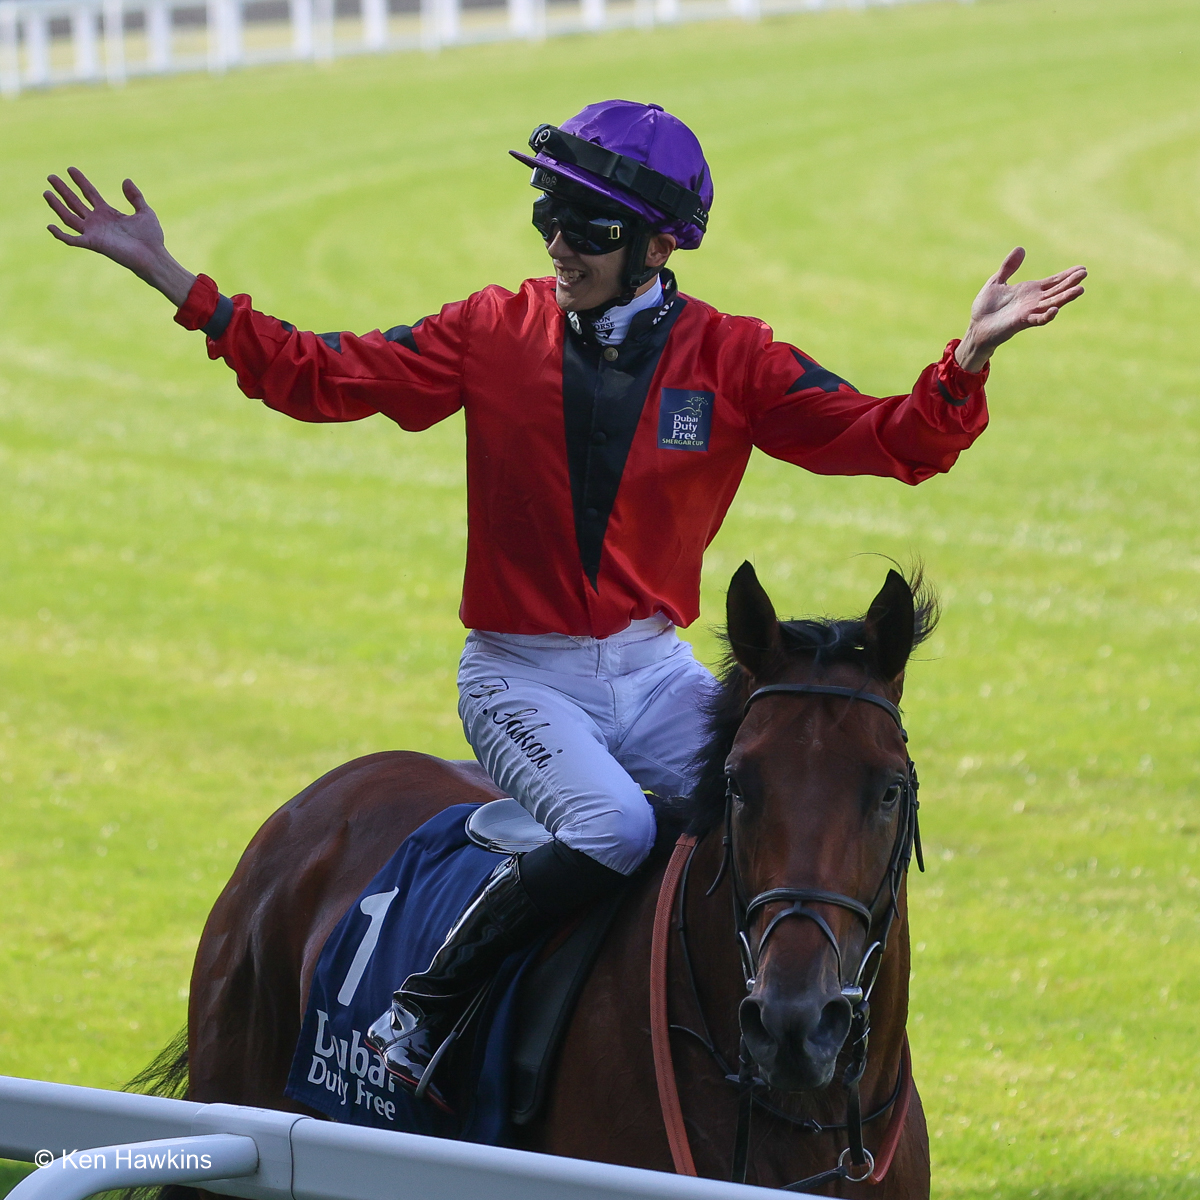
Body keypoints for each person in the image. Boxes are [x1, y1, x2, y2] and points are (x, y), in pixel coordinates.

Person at [44, 99, 1085, 1106]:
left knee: (767, 824)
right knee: (617, 830)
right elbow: (322, 375)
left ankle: (773, 1044)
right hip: (516, 674)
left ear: (660, 245)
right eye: (547, 211)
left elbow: (894, 441)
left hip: (649, 667)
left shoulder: (734, 357)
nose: (558, 241)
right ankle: (425, 1007)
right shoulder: (488, 330)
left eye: (585, 225)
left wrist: (968, 359)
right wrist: (177, 281)